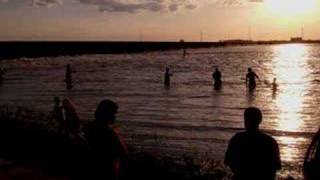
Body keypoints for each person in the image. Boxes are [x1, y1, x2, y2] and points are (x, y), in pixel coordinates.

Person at [225, 107, 281, 180]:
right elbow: (277, 166)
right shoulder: (270, 141)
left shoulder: (237, 138)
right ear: (260, 120)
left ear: (245, 120)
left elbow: (227, 161)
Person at [85, 100, 128, 180]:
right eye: (113, 114)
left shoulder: (89, 127)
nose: (114, 117)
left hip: (93, 168)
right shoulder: (109, 132)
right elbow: (123, 154)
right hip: (108, 171)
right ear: (107, 115)